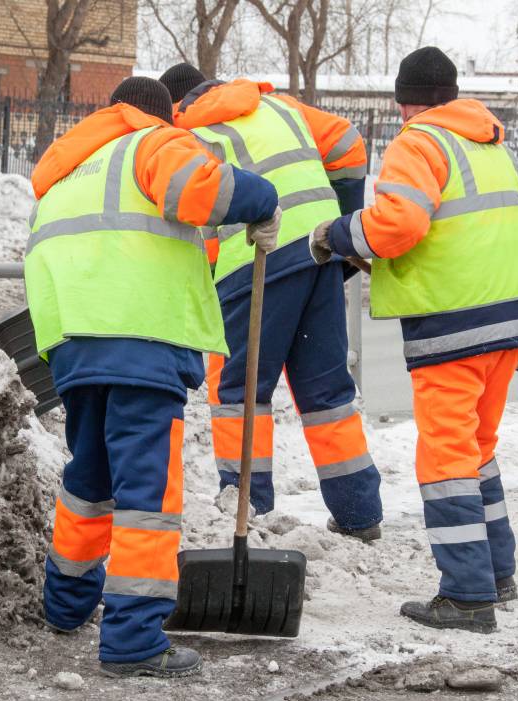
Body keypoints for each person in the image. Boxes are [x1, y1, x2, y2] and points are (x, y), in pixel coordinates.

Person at [25, 76, 280, 677]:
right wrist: (263, 198)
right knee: (147, 496)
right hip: (140, 339)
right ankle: (133, 639)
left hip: (74, 343)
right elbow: (200, 189)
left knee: (90, 477)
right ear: (162, 119)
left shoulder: (71, 167)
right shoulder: (152, 142)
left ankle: (65, 607)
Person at [309, 47, 518, 633]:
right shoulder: (488, 144)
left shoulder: (419, 142)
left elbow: (400, 224)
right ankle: (496, 574)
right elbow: (460, 231)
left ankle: (467, 597)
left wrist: (337, 234)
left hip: (454, 325)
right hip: (509, 318)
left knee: (445, 459)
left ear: (403, 102)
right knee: (476, 450)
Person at [158, 63, 383, 541]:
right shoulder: (277, 105)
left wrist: (208, 280)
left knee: (238, 394)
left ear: (176, 104)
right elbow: (347, 142)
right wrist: (339, 223)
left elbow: (200, 220)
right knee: (327, 393)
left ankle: (249, 512)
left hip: (254, 262)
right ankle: (359, 514)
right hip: (319, 252)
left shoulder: (186, 134)